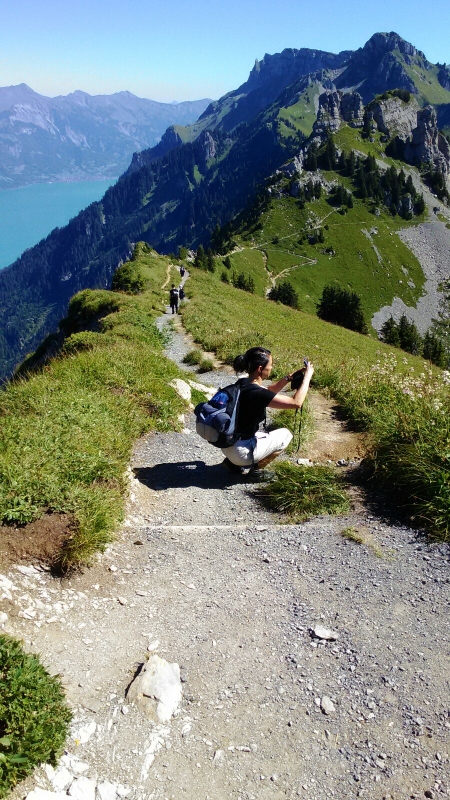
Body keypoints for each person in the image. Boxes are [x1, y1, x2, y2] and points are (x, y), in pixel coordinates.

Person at [221, 346, 314, 481]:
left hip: (227, 445)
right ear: (260, 369)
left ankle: (232, 464)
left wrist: (289, 378)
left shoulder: (243, 383)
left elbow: (269, 390)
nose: (271, 367)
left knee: (260, 434)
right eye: (270, 365)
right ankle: (256, 472)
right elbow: (296, 402)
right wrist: (307, 377)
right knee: (286, 435)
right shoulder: (258, 393)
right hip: (240, 452)